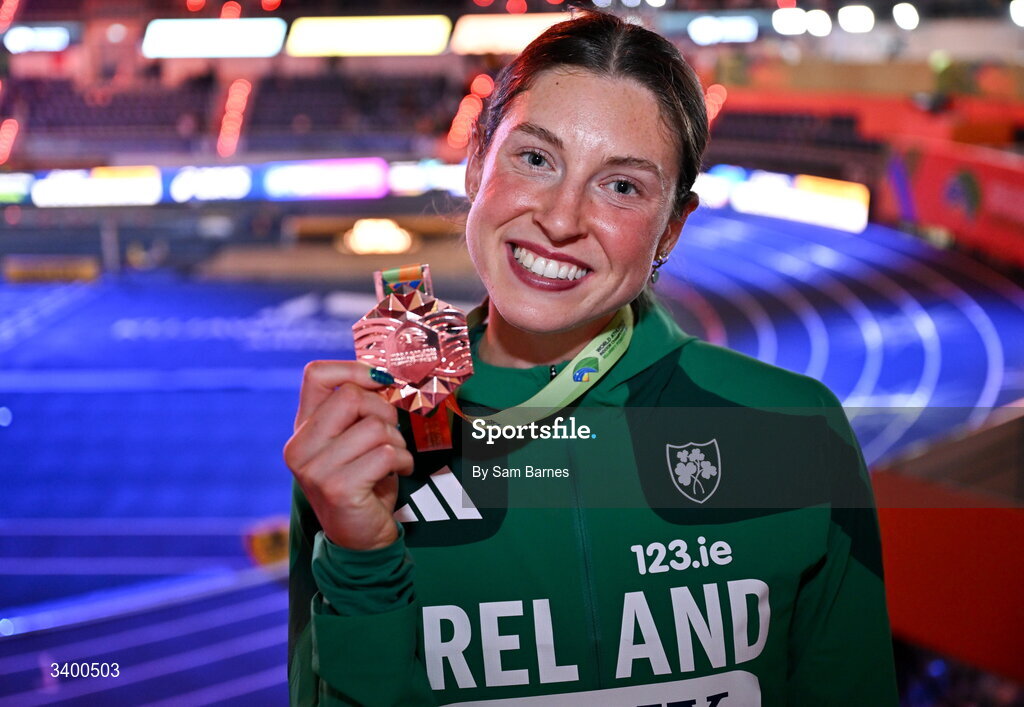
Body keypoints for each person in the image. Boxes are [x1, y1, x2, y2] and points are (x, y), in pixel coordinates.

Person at [285, 9, 898, 706]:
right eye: (536, 158)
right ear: (477, 164)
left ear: (672, 225)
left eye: (623, 185)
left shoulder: (795, 427)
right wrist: (363, 564)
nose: (561, 217)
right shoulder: (362, 450)